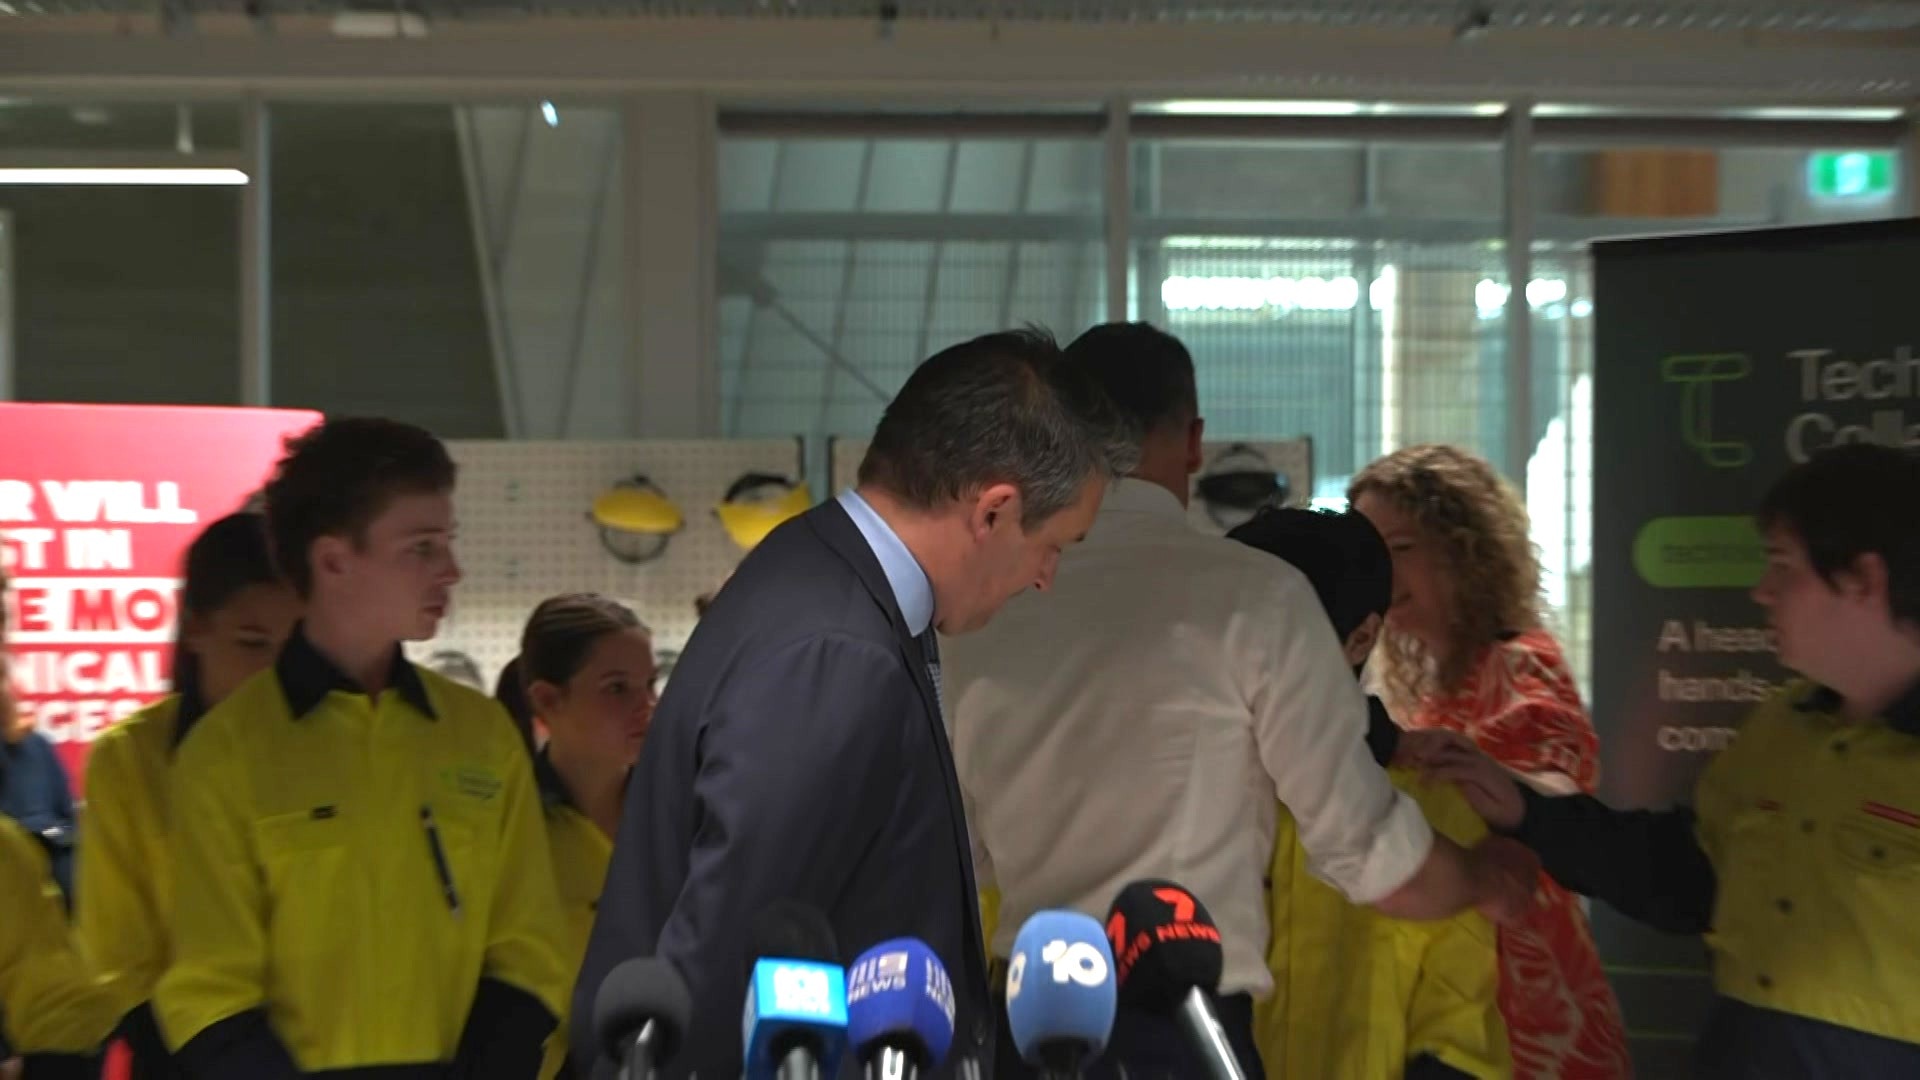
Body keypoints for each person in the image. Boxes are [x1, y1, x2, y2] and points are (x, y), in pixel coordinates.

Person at [943, 324, 1539, 1080]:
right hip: (1186, 1035)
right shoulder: (1256, 601)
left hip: (1024, 1027)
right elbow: (1369, 855)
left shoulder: (983, 614)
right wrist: (1487, 877)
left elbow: (962, 859)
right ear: (1193, 441)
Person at [572, 328, 1135, 1079]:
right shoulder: (839, 650)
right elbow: (732, 955)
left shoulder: (828, 580)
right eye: (1056, 544)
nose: (1045, 578)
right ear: (995, 511)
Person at [1418, 442, 1920, 1077]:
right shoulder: (1782, 730)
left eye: (1783, 566)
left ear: (1864, 581)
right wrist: (1525, 811)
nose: (1762, 591)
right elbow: (1688, 875)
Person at [153, 417, 571, 1080]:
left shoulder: (483, 736)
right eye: (422, 547)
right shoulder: (226, 755)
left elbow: (530, 949)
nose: (451, 570)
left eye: (447, 543)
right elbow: (207, 992)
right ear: (333, 561)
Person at [1348, 444, 1630, 1080]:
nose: (1382, 573)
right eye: (1371, 554)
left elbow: (1558, 786)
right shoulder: (1435, 689)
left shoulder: (1519, 661)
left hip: (1529, 1019)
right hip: (1471, 1008)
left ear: (1461, 547)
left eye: (1401, 548)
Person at [1225, 507, 1507, 1080]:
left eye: (1279, 638)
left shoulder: (1437, 810)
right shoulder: (1178, 784)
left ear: (1360, 638)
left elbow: (1456, 1035)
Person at [77, 512, 301, 1080]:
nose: (275, 676)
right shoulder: (130, 759)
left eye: (297, 649)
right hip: (183, 1057)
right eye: (252, 644)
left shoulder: (340, 748)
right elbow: (120, 956)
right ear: (196, 628)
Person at [504, 594, 657, 1080]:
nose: (645, 706)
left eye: (649, 685)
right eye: (616, 688)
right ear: (547, 700)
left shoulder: (682, 817)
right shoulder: (510, 827)